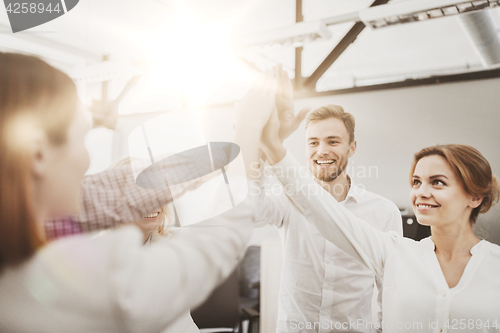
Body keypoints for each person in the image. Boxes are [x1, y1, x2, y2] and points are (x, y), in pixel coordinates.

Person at [0, 52, 276, 333]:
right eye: (83, 139)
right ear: (37, 154)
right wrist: (249, 128)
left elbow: (101, 193)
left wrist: (225, 156)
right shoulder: (91, 279)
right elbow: (218, 240)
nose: (86, 160)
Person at [260, 101, 500, 332]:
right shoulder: (398, 252)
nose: (421, 193)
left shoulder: (493, 265)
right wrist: (268, 145)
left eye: (437, 182)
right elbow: (321, 210)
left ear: (475, 197)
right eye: (416, 182)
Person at [255, 66, 402, 333]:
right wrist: (265, 144)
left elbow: (389, 289)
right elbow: (250, 209)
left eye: (333, 141)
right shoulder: (286, 199)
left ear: (351, 147)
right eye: (313, 142)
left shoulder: (384, 211)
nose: (321, 151)